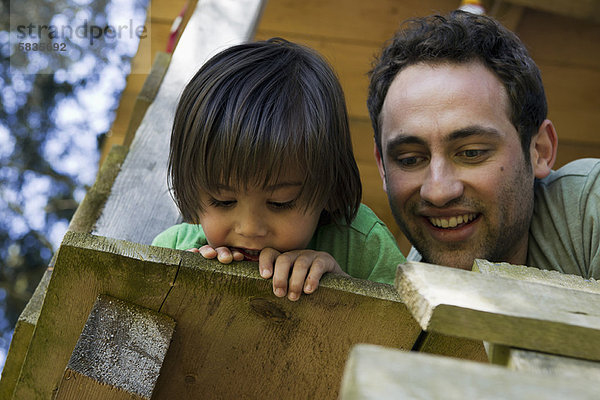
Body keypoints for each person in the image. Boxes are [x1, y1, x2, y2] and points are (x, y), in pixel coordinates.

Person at [152, 38, 406, 301]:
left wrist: (342, 290)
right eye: (223, 201)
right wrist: (177, 289)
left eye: (279, 203)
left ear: (330, 189)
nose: (249, 229)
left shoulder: (363, 246)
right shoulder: (173, 250)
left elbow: (410, 333)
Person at [367, 10, 600, 278]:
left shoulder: (590, 209)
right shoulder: (399, 289)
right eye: (410, 159)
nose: (438, 192)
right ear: (382, 166)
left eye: (471, 153)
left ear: (539, 151)